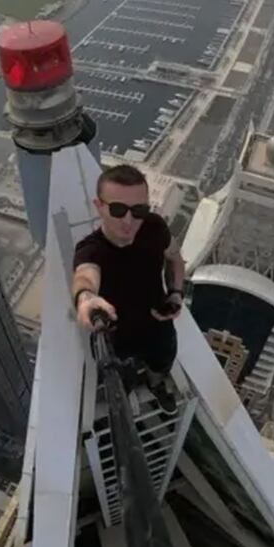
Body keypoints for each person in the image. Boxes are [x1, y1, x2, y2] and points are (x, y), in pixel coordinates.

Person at [71, 164, 185, 414]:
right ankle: (128, 390)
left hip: (157, 322)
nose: (128, 220)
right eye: (118, 209)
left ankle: (156, 385)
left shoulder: (154, 227)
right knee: (121, 379)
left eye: (138, 210)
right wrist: (86, 298)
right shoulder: (91, 250)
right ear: (99, 206)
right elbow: (85, 276)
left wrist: (176, 292)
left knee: (161, 365)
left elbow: (175, 258)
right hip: (115, 334)